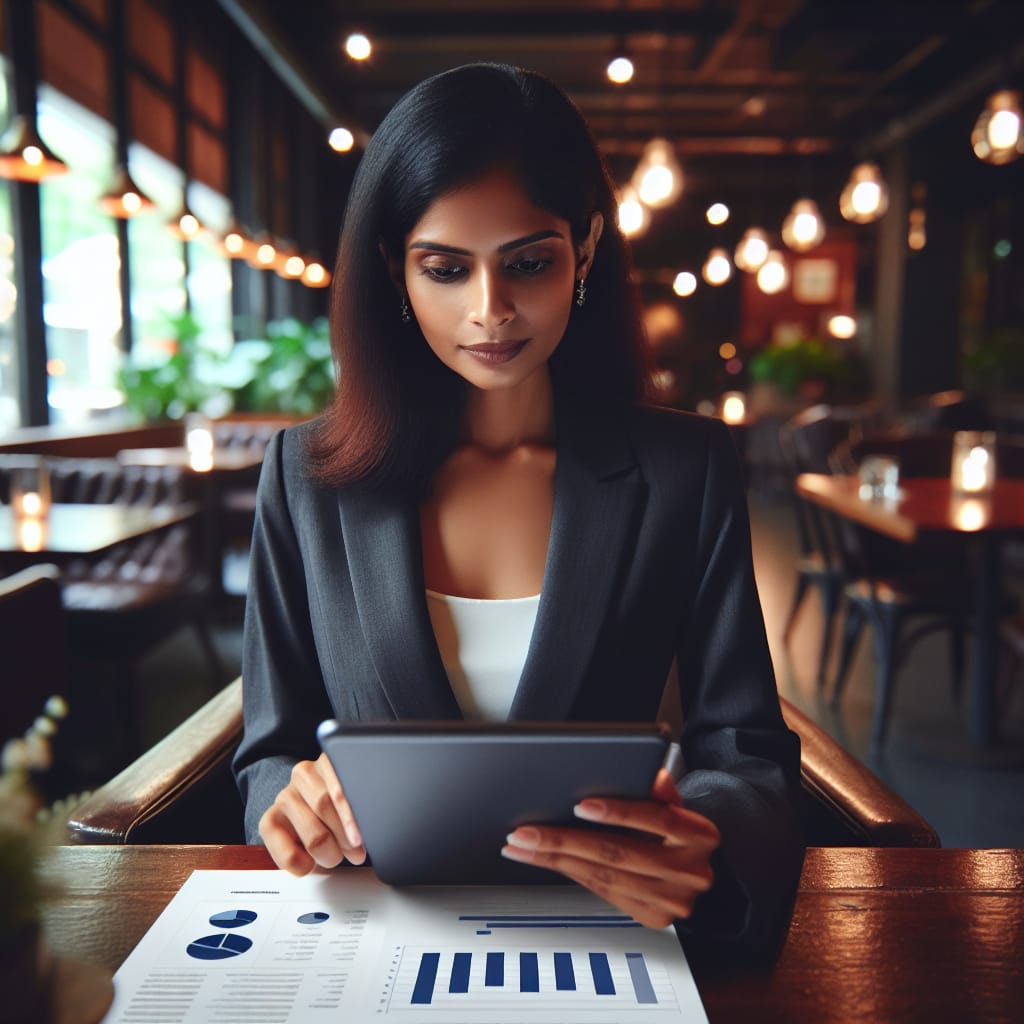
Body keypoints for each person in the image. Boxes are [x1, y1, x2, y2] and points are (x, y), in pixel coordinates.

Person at [233, 62, 804, 954]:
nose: (489, 311)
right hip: (375, 943)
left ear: (585, 249)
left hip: (611, 940)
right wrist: (287, 801)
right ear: (395, 271)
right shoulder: (305, 479)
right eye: (446, 269)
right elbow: (266, 747)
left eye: (529, 262)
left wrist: (710, 843)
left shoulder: (681, 470)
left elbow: (746, 751)